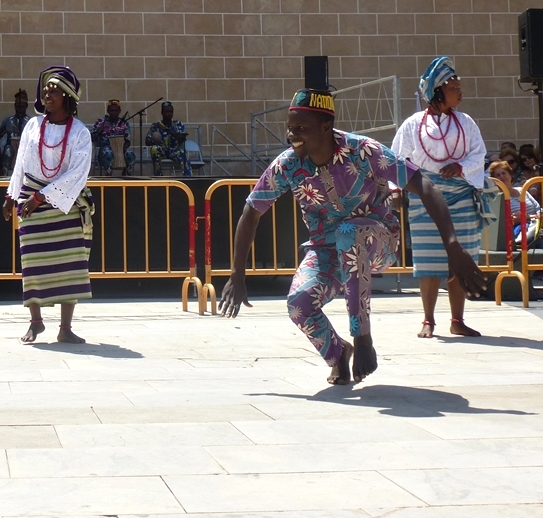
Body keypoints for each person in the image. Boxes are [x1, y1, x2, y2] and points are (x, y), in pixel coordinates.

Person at [221, 88, 487, 385]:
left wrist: (452, 246)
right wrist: (237, 274)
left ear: (326, 128)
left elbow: (424, 185)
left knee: (350, 232)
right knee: (299, 303)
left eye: (301, 129)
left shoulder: (363, 151)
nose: (291, 135)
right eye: (290, 127)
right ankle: (337, 354)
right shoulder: (288, 164)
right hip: (328, 249)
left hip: (378, 241)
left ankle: (362, 338)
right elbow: (251, 213)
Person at [391, 57, 489, 339]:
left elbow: (478, 154)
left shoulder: (466, 122)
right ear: (437, 92)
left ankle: (457, 319)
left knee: (462, 256)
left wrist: (460, 167)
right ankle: (428, 320)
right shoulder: (412, 125)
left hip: (460, 194)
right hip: (425, 198)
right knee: (428, 260)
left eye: (459, 86)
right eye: (454, 87)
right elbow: (398, 159)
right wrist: (397, 190)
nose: (460, 92)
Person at [3, 66, 94, 344]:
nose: (47, 95)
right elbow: (21, 163)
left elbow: (78, 172)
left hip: (63, 202)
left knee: (69, 264)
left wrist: (42, 196)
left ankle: (65, 328)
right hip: (29, 199)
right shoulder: (33, 125)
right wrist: (11, 195)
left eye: (53, 91)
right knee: (32, 263)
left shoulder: (80, 132)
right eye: (45, 91)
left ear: (66, 96)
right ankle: (36, 322)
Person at [489, 160, 541, 249]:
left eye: (503, 173)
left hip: (537, 226)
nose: (501, 176)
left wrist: (527, 216)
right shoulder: (496, 198)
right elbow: (502, 221)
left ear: (510, 175)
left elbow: (538, 209)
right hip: (517, 233)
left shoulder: (522, 190)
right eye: (498, 175)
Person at [146, 101, 191, 176]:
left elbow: (181, 137)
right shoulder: (156, 126)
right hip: (162, 150)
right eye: (167, 111)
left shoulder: (178, 124)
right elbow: (147, 142)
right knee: (154, 149)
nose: (169, 114)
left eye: (171, 111)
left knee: (184, 153)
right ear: (162, 112)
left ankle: (188, 179)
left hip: (175, 151)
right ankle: (159, 177)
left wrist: (165, 129)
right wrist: (154, 139)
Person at [92, 99, 135, 176]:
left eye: (116, 110)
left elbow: (128, 141)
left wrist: (120, 148)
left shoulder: (124, 123)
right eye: (112, 110)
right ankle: (108, 176)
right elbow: (92, 138)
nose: (114, 113)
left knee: (130, 154)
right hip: (105, 149)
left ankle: (127, 176)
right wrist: (98, 131)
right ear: (108, 111)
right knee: (108, 153)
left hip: (120, 149)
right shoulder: (101, 121)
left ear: (119, 111)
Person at [0, 89, 30, 174]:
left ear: (26, 106)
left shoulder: (30, 122)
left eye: (22, 107)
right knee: (8, 150)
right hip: (11, 147)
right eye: (18, 106)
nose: (19, 109)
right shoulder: (8, 121)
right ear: (14, 106)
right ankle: (4, 176)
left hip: (26, 148)